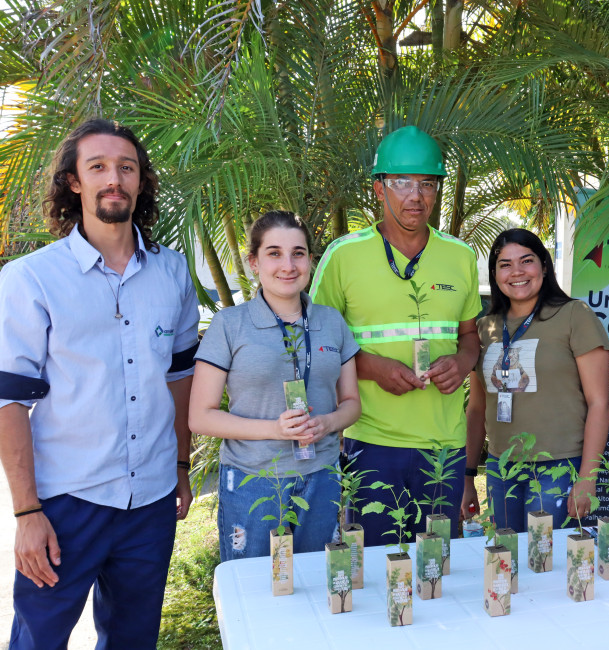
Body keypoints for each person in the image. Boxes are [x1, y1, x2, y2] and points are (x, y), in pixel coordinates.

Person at [0, 119, 199, 648]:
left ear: (141, 181)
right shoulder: (31, 279)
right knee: (38, 640)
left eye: (126, 168)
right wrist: (26, 514)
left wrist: (181, 466)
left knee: (133, 640)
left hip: (151, 501)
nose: (115, 179)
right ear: (74, 182)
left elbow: (180, 378)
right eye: (99, 167)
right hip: (67, 502)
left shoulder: (173, 272)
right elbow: (9, 402)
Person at [310, 125, 481, 545]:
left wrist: (460, 363)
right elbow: (315, 342)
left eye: (427, 183)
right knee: (374, 565)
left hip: (444, 444)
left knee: (440, 570)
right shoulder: (343, 256)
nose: (415, 196)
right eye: (402, 182)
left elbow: (471, 337)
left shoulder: (460, 257)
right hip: (372, 441)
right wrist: (371, 368)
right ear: (378, 188)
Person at [190, 211, 361, 559]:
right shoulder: (229, 324)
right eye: (274, 253)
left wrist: (327, 423)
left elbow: (352, 403)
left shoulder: (331, 321)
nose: (288, 265)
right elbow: (201, 417)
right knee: (255, 590)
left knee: (316, 586)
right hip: (254, 481)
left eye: (298, 253)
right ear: (253, 262)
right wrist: (276, 429)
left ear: (310, 261)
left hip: (322, 475)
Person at [462, 228, 609, 532]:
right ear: (495, 274)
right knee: (508, 557)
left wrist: (587, 478)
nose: (516, 272)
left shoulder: (574, 315)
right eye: (505, 264)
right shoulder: (484, 328)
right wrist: (467, 477)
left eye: (526, 261)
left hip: (558, 466)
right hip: (500, 466)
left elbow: (600, 402)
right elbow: (477, 409)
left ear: (544, 266)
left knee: (546, 562)